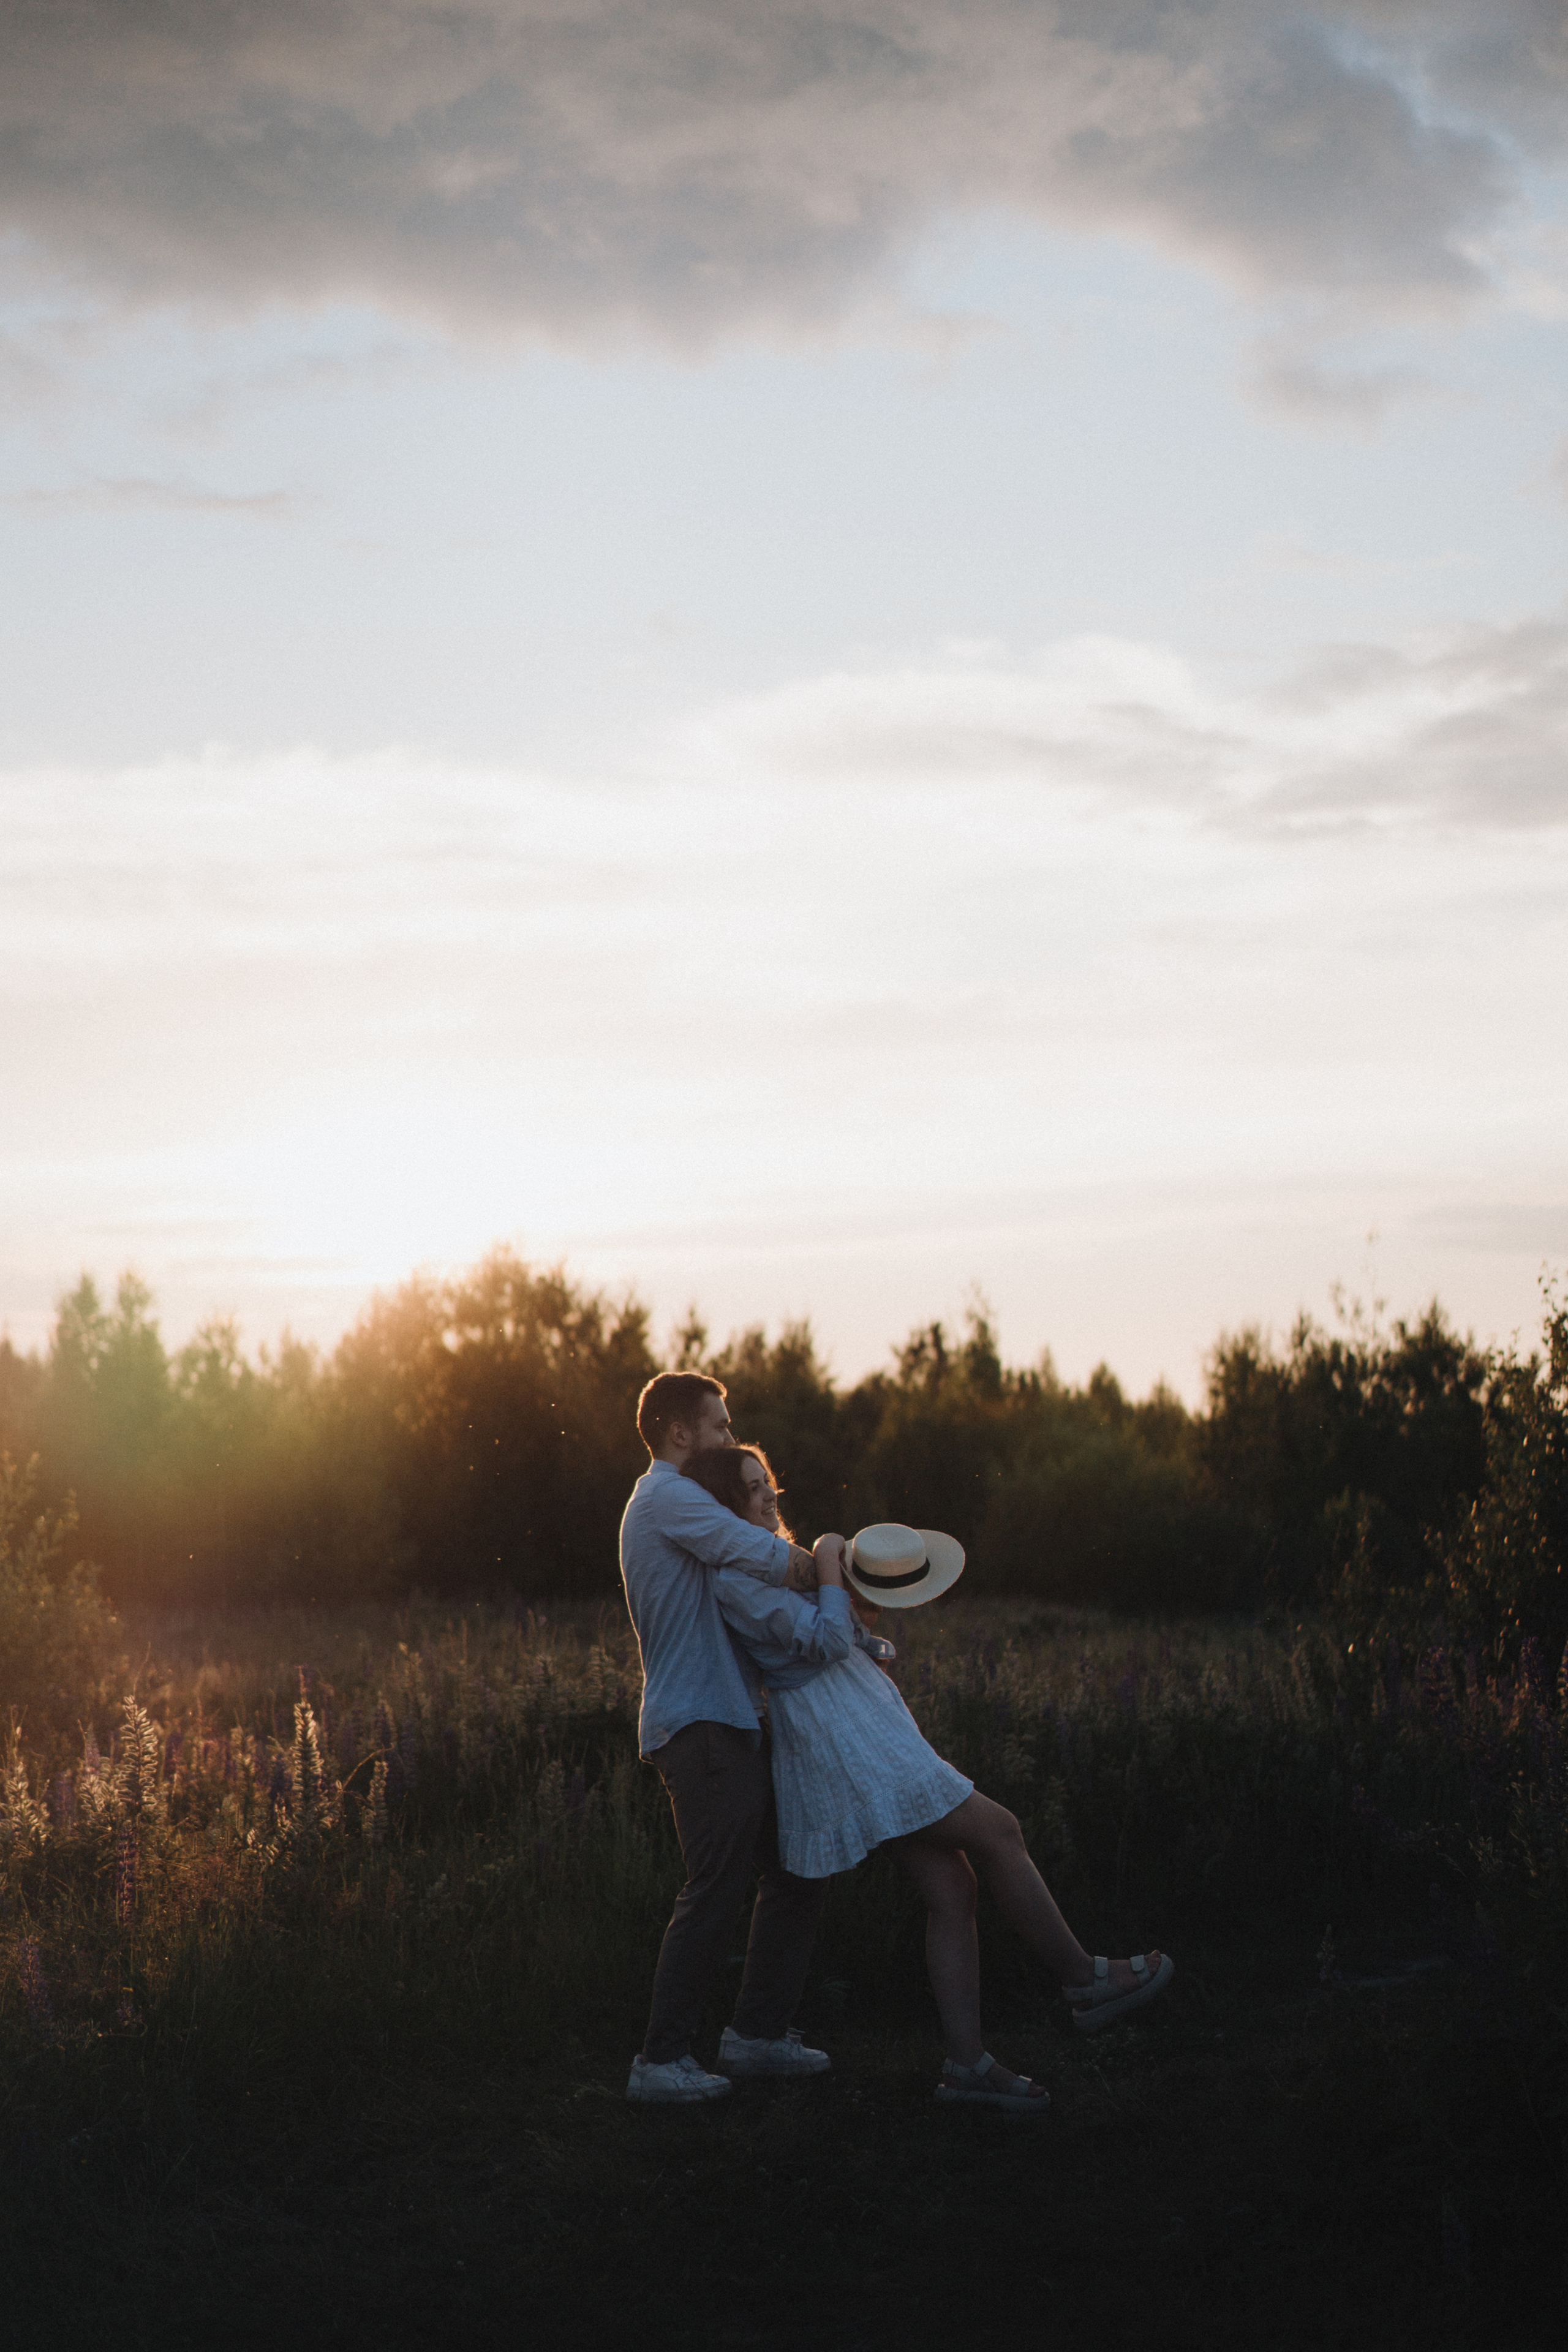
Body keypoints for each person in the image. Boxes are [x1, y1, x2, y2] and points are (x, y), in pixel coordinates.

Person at [683, 1444, 1175, 2114]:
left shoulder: (773, 1563)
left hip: (862, 1721)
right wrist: (830, 1564)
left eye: (768, 1485)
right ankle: (1083, 1979)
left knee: (952, 1884)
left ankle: (965, 2066)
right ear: (724, 1504)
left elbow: (841, 1637)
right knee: (998, 1829)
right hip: (842, 1736)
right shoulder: (733, 1578)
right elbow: (820, 1646)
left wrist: (856, 1608)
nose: (770, 1497)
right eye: (752, 1490)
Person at [619, 1371, 851, 2105]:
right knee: (715, 1888)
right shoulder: (667, 1496)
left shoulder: (674, 1501)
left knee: (794, 1868)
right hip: (701, 1725)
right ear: (679, 1432)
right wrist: (838, 1571)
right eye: (719, 1427)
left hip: (727, 1719)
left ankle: (753, 2036)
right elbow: (757, 1550)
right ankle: (660, 2061)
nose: (728, 1437)